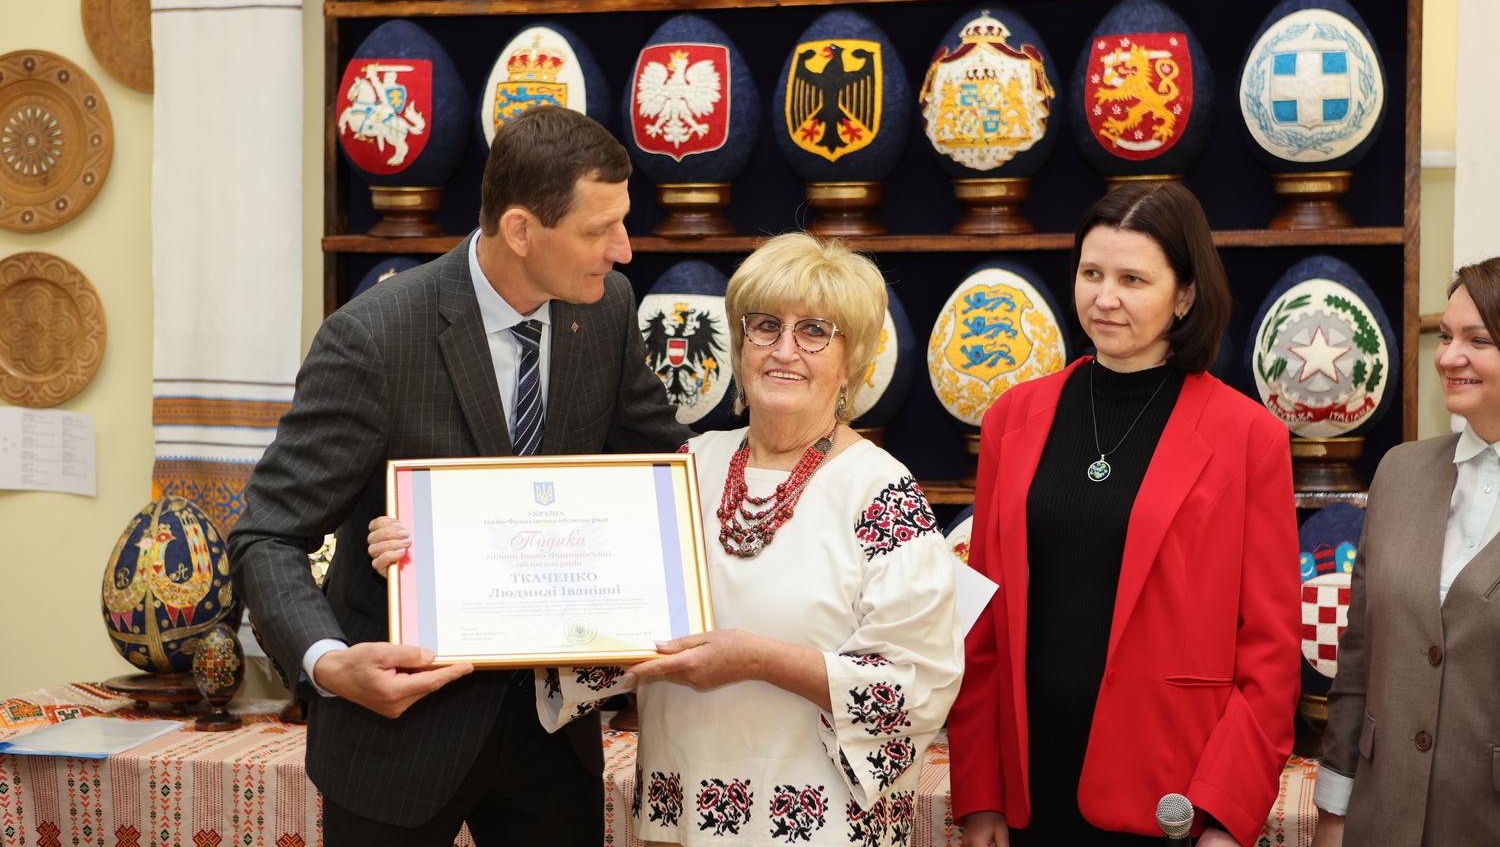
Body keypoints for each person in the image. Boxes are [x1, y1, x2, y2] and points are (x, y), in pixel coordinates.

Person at [369, 232, 965, 846]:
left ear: (853, 360)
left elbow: (915, 687)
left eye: (815, 331)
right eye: (765, 326)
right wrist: (435, 553)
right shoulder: (682, 469)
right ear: (739, 344)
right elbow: (571, 594)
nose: (784, 349)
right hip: (679, 817)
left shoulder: (881, 492)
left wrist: (758, 660)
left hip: (820, 827)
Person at [228, 104, 686, 846]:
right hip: (397, 737)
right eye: (598, 230)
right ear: (521, 230)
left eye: (622, 223)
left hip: (552, 740)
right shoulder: (373, 338)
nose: (624, 250)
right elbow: (267, 535)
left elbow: (660, 468)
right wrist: (331, 664)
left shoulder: (605, 312)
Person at [948, 182, 1300, 846]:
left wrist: (1227, 814)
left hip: (1171, 789)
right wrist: (981, 793)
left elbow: (1271, 651)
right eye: (1092, 274)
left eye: (1132, 279)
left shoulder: (1247, 437)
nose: (1105, 298)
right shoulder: (1012, 420)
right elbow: (983, 629)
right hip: (1030, 785)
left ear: (1185, 294)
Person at [1311, 257, 1500, 847]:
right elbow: (1358, 661)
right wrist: (1334, 811)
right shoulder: (1399, 472)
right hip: (1379, 819)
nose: (1448, 357)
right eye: (1445, 336)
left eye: (1477, 340)